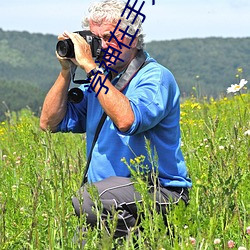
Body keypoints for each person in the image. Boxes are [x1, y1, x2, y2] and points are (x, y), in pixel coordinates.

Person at [40, 0, 192, 244]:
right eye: (95, 38)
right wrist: (66, 70)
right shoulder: (100, 81)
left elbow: (127, 120)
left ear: (132, 37)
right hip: (110, 198)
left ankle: (146, 241)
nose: (102, 46)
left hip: (160, 192)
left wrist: (89, 66)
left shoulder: (154, 77)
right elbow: (49, 123)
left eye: (109, 37)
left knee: (88, 200)